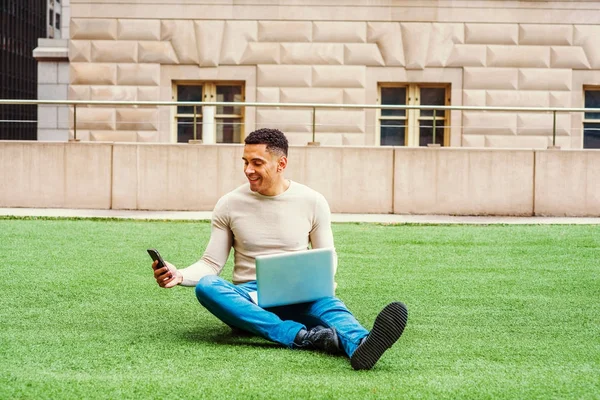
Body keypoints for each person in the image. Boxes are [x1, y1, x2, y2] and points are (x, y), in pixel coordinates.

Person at [151, 128, 408, 370]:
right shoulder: (229, 204)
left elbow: (328, 255)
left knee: (332, 308)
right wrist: (180, 274)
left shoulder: (313, 201)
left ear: (281, 164)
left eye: (257, 163)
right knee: (208, 286)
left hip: (301, 291)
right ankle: (303, 336)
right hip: (250, 298)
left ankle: (362, 346)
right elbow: (210, 263)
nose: (248, 170)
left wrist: (322, 279)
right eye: (245, 162)